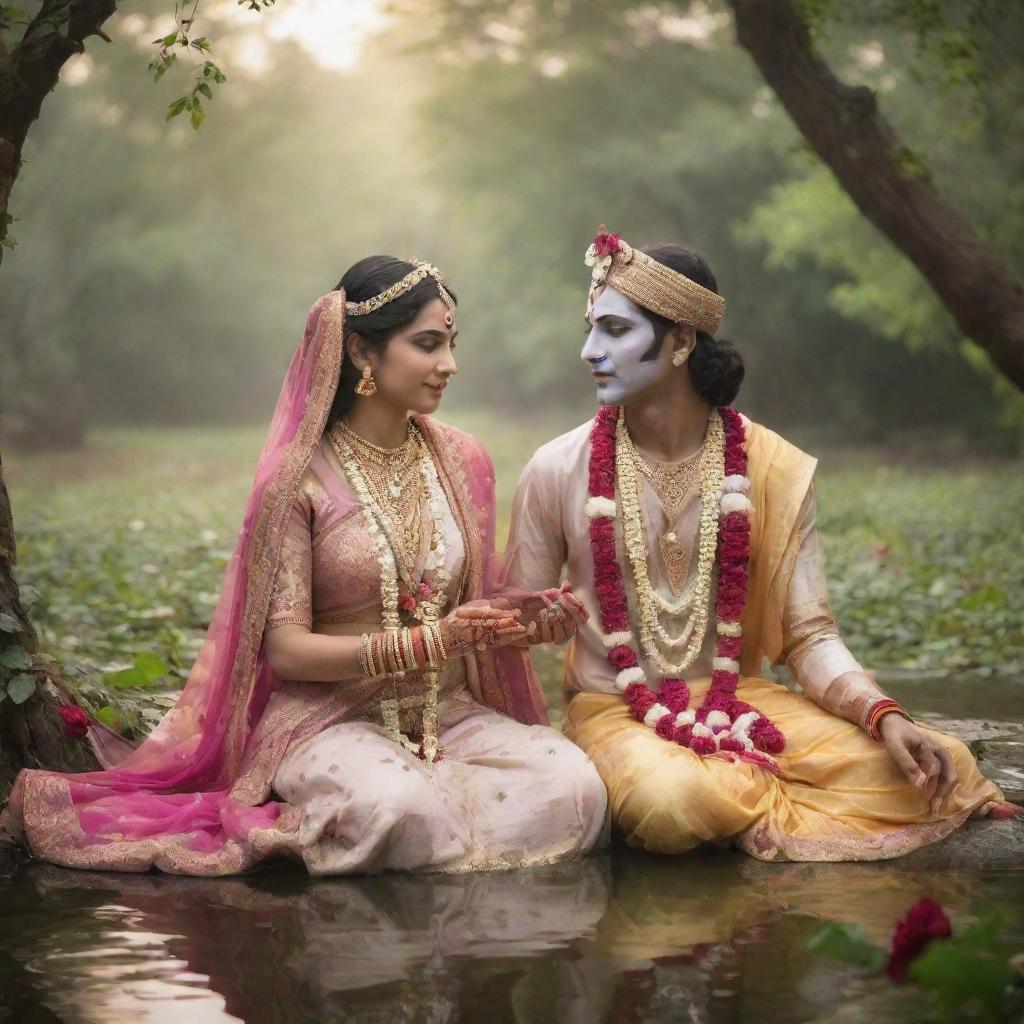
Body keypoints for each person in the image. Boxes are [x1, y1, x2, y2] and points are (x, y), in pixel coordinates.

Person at [3, 256, 607, 875]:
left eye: (451, 344)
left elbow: (456, 609)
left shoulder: (460, 459)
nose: (448, 364)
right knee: (398, 808)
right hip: (327, 718)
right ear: (361, 352)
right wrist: (427, 642)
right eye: (428, 345)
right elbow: (287, 652)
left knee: (576, 789)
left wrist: (515, 617)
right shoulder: (298, 479)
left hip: (444, 709)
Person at [503, 227, 1017, 862]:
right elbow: (515, 628)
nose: (588, 351)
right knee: (673, 800)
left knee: (941, 765)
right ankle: (745, 792)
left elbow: (809, 635)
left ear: (682, 341)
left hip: (739, 699)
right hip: (617, 711)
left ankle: (741, 790)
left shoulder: (769, 465)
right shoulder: (556, 468)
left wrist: (885, 715)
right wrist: (536, 626)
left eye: (613, 331)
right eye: (590, 328)